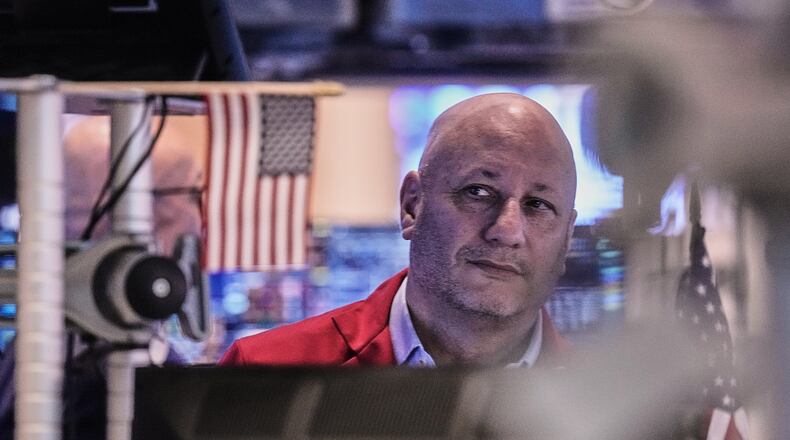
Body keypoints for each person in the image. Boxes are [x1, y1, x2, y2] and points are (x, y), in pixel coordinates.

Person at [219, 93, 577, 368]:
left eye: (538, 205)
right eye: (478, 192)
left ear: (566, 240)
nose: (507, 230)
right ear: (412, 206)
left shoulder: (620, 414)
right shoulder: (266, 373)